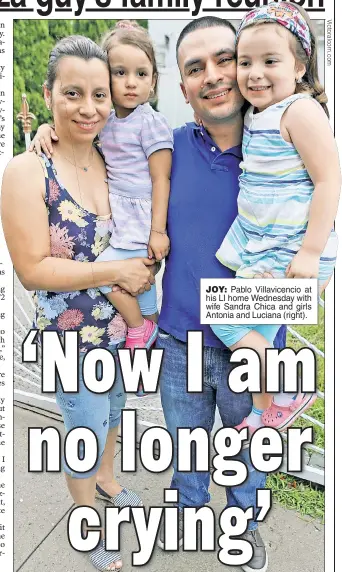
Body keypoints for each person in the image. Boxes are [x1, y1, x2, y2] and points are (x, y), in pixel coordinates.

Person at [2, 36, 156, 571]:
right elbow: (32, 270)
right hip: (73, 339)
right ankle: (87, 520)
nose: (88, 108)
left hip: (127, 331)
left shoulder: (117, 157)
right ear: (48, 96)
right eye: (72, 93)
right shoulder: (28, 172)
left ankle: (109, 481)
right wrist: (116, 269)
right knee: (85, 426)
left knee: (116, 412)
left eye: (99, 94)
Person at [156, 17, 287, 572]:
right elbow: (92, 146)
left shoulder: (285, 149)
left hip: (252, 344)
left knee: (247, 452)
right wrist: (45, 134)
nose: (212, 76)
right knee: (186, 448)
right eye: (194, 68)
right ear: (184, 87)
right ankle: (188, 513)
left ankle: (245, 524)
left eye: (224, 59)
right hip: (179, 342)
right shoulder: (165, 148)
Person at [211, 2, 340, 434]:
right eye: (245, 62)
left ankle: (289, 389)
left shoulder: (299, 111)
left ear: (300, 66)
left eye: (270, 61)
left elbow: (328, 181)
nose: (254, 73)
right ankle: (263, 412)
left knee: (225, 319)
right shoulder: (257, 113)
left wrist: (310, 252)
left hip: (295, 256)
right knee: (261, 335)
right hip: (269, 250)